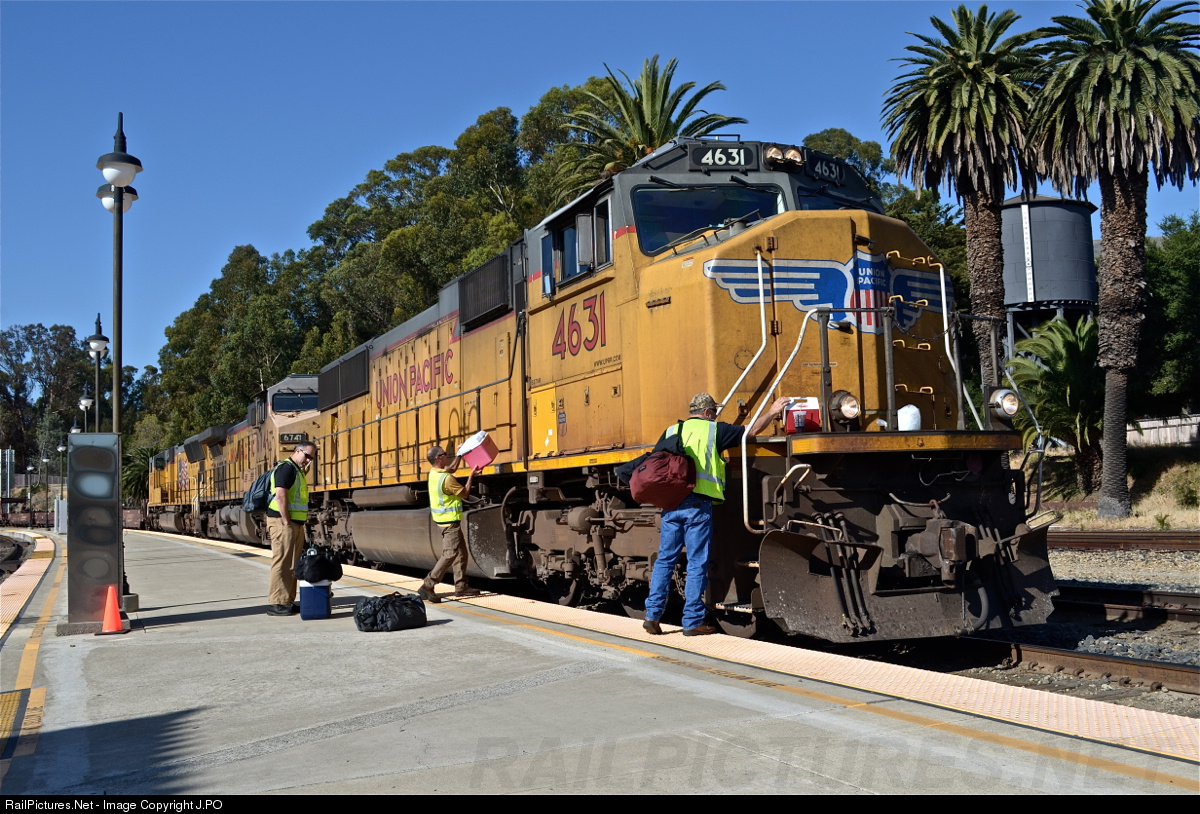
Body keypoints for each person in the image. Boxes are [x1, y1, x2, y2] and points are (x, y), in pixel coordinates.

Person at [642, 393, 789, 636]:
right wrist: (773, 411)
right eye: (715, 412)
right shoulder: (714, 431)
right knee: (697, 562)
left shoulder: (671, 431)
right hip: (697, 505)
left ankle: (652, 616)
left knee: (665, 560)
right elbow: (751, 431)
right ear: (707, 412)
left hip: (671, 505)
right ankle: (692, 622)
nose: (716, 416)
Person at [418, 445, 483, 604]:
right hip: (450, 522)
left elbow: (451, 469)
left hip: (443, 520)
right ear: (438, 458)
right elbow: (465, 493)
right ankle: (428, 585)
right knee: (450, 553)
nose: (447, 456)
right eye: (445, 454)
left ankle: (461, 586)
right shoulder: (447, 479)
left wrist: (460, 454)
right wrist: (471, 475)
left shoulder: (434, 473)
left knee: (461, 552)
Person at [266, 441, 317, 616]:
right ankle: (276, 603)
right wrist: (286, 520)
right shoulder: (286, 468)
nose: (308, 460)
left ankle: (286, 600)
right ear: (298, 451)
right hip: (282, 522)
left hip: (294, 523)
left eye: (311, 458)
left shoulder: (297, 470)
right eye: (307, 456)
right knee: (282, 562)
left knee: (293, 563)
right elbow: (280, 495)